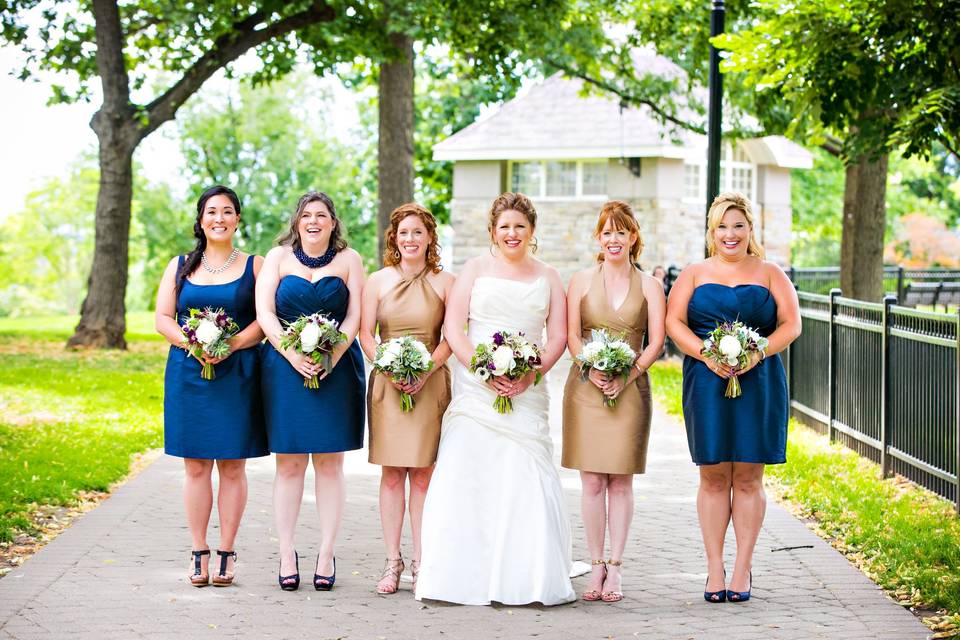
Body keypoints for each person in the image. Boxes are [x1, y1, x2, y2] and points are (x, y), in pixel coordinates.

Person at [415, 192, 576, 606]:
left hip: (527, 390)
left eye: (520, 226)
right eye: (504, 226)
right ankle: (460, 574)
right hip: (476, 389)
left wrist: (531, 374)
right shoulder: (473, 270)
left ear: (532, 232)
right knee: (469, 468)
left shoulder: (550, 276)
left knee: (523, 471)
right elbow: (454, 328)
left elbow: (557, 336)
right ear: (492, 231)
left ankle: (527, 576)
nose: (512, 233)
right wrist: (483, 372)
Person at [665, 192, 800, 603]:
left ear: (750, 230)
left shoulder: (771, 272)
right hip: (707, 382)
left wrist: (757, 352)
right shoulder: (693, 273)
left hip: (758, 382)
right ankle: (713, 569)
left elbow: (790, 324)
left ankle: (742, 568)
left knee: (747, 477)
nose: (730, 234)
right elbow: (673, 322)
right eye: (722, 226)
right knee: (712, 476)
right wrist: (706, 353)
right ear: (712, 231)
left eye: (738, 225)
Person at [155, 185, 267, 587]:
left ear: (238, 219)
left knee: (233, 465)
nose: (219, 218)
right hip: (189, 374)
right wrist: (194, 343)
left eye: (227, 211)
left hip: (237, 375)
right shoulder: (180, 265)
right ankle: (199, 550)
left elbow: (264, 320)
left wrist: (230, 343)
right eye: (211, 212)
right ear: (200, 220)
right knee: (196, 465)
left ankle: (227, 551)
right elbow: (163, 318)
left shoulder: (256, 266)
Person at [256, 191, 366, 592]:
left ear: (333, 223)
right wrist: (291, 353)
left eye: (322, 215)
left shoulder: (350, 260)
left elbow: (354, 315)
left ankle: (325, 551)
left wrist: (332, 357)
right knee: (288, 464)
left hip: (335, 367)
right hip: (285, 370)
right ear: (297, 222)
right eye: (307, 215)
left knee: (329, 464)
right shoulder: (277, 258)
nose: (314, 221)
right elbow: (265, 311)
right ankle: (287, 551)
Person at [561, 200, 665, 603]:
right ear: (598, 238)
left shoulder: (651, 286)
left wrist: (628, 375)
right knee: (591, 481)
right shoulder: (581, 280)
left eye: (621, 231)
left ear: (633, 236)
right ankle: (596, 564)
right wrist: (591, 367)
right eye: (607, 232)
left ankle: (617, 568)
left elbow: (655, 341)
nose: (614, 239)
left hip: (631, 389)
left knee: (620, 481)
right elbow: (572, 335)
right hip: (586, 388)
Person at [359, 203, 455, 594]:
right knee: (391, 473)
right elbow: (366, 333)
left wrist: (424, 370)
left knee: (424, 474)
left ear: (430, 237)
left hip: (430, 381)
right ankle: (392, 561)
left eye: (418, 232)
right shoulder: (377, 281)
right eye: (403, 233)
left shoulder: (447, 282)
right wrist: (388, 366)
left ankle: (422, 560)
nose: (410, 239)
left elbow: (452, 337)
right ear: (394, 239)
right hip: (388, 383)